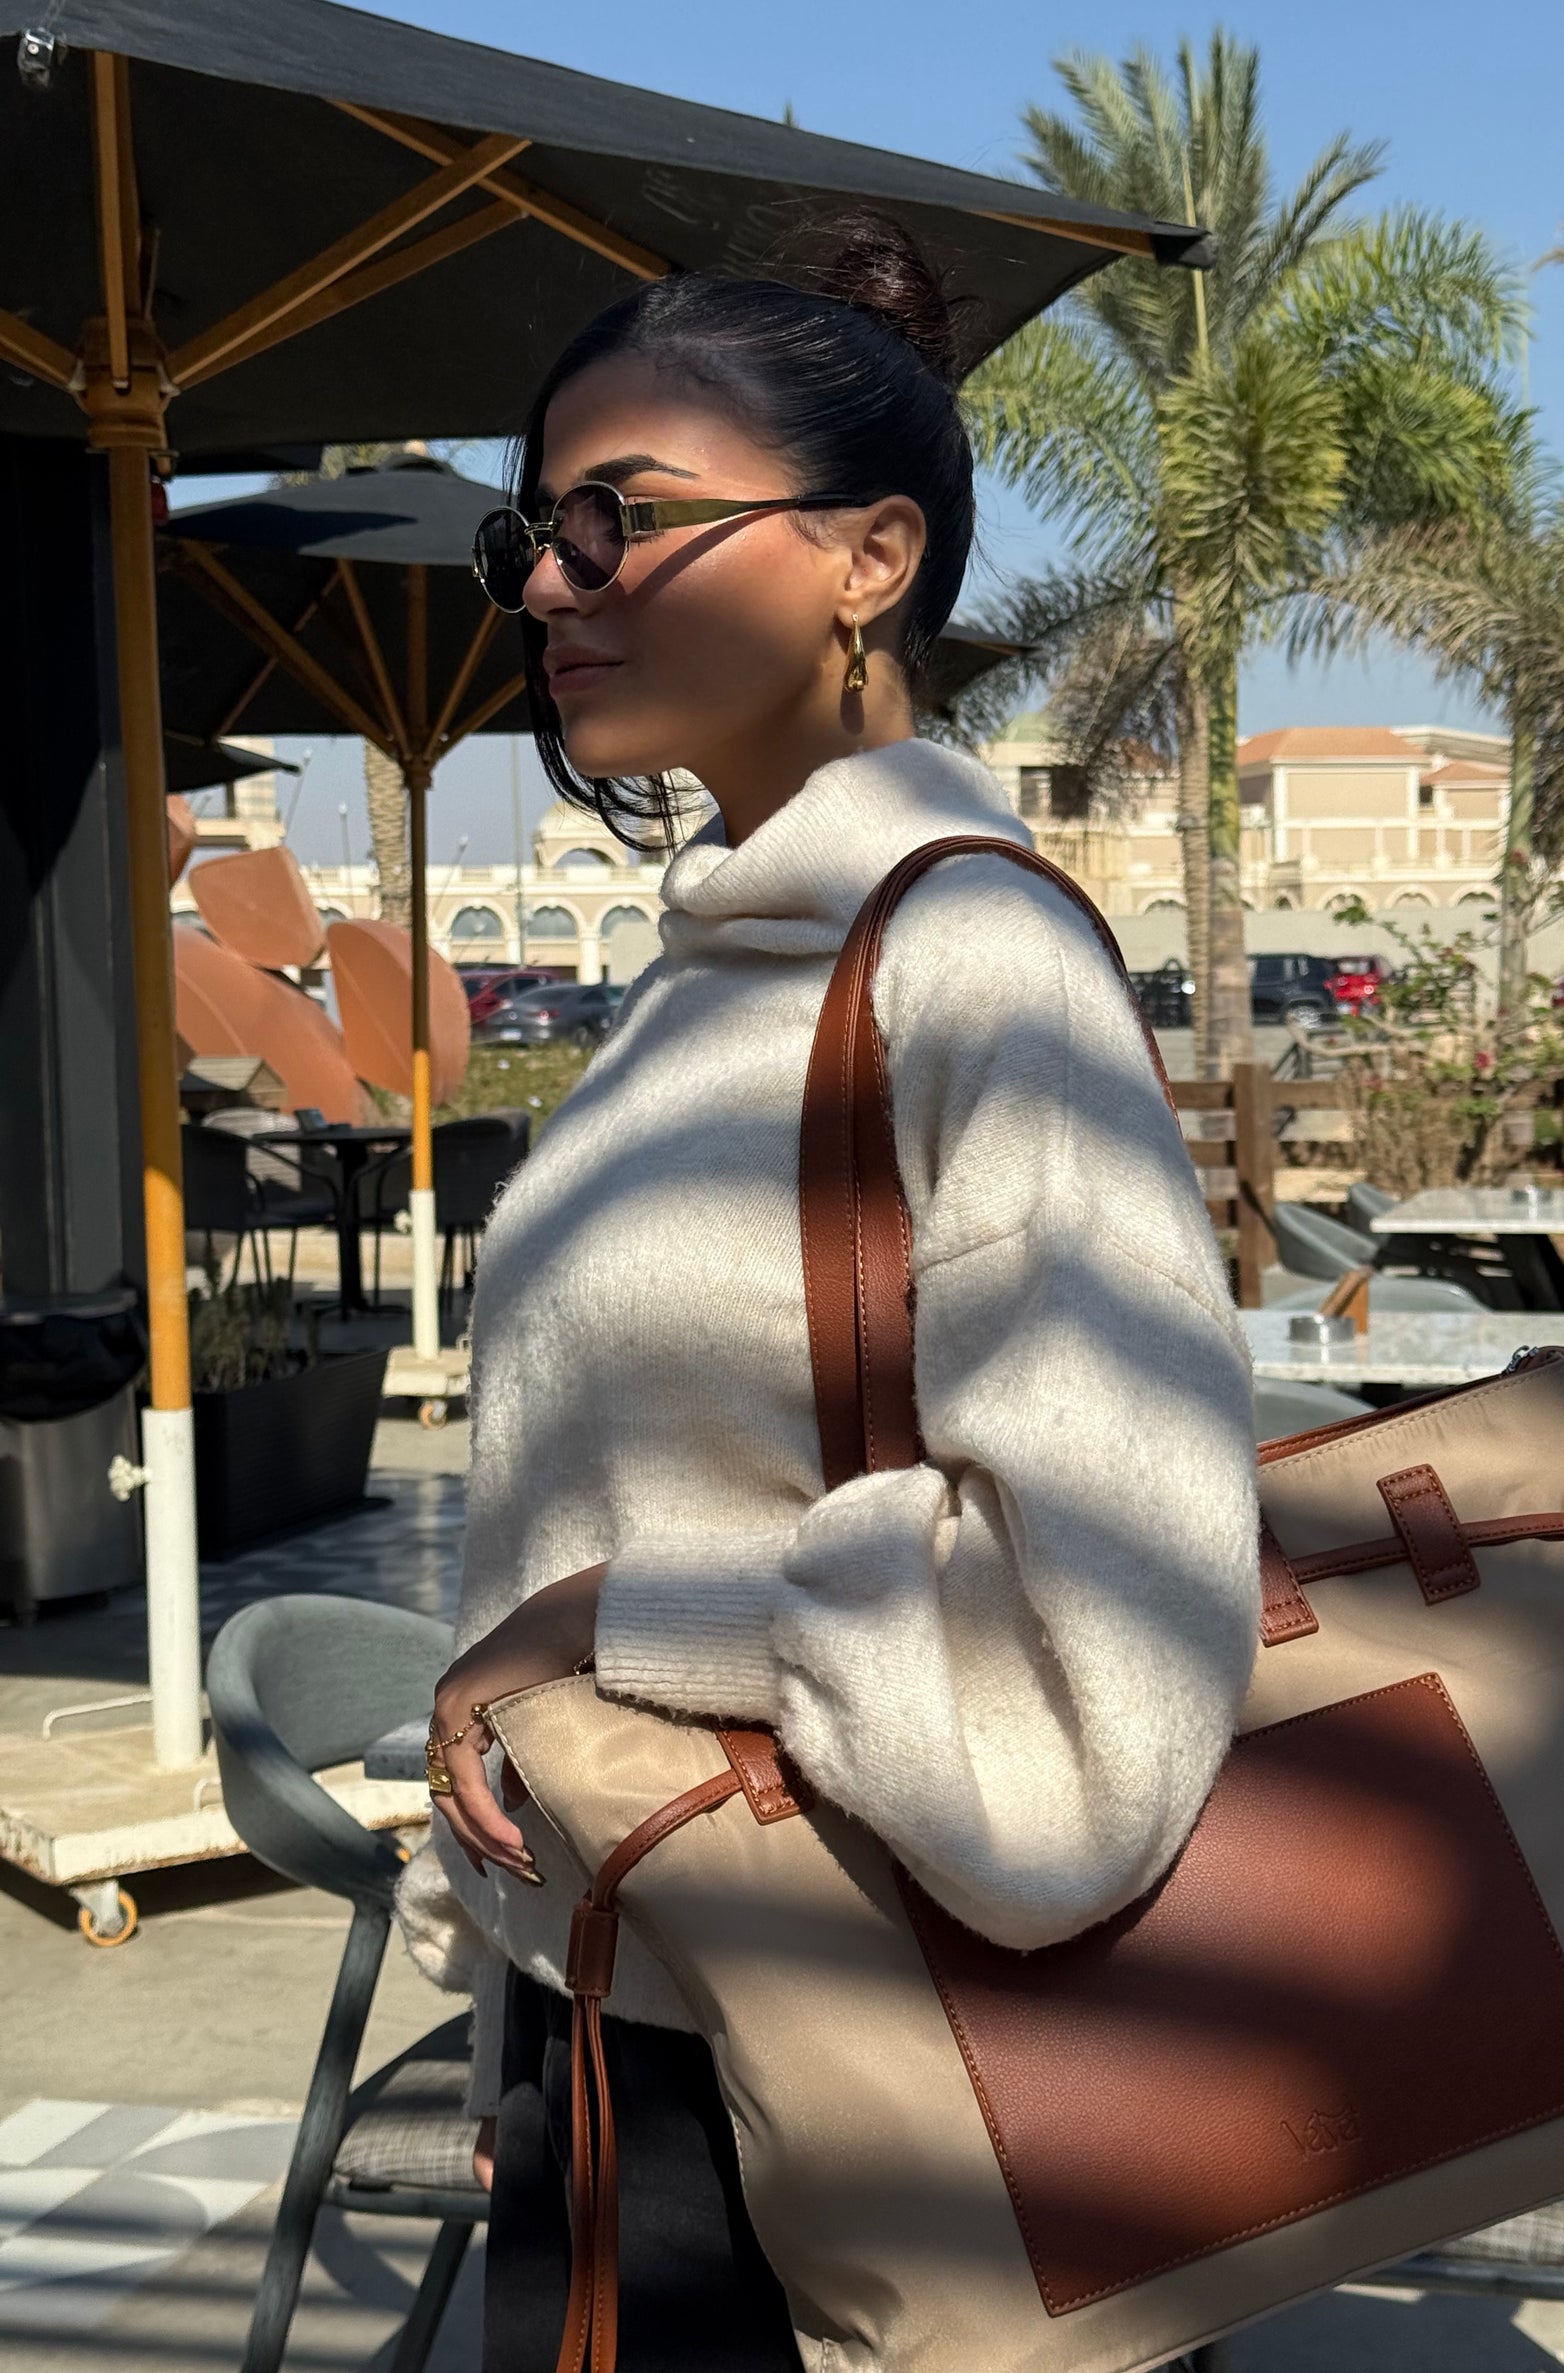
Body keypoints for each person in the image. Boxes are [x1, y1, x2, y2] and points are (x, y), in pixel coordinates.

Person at [404, 218, 1259, 2373]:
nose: (548, 583)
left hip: (873, 2063)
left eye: (622, 519)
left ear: (870, 557)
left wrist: (605, 1620)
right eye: (535, 531)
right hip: (650, 2021)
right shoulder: (713, 983)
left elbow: (1107, 1636)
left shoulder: (975, 965)